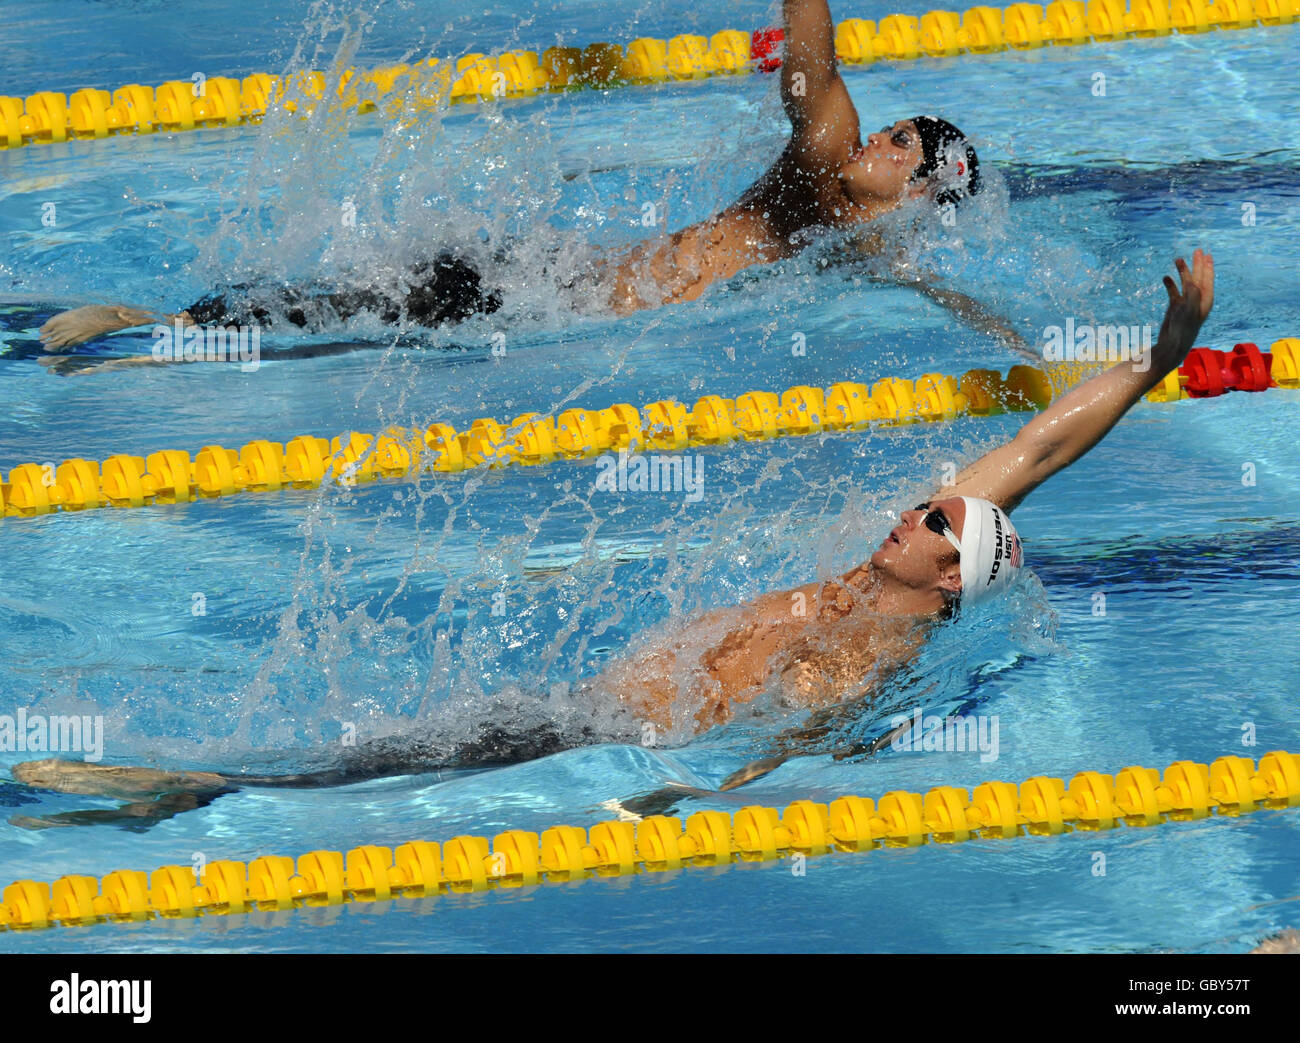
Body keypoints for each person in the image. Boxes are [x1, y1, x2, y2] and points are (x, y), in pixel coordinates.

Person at [10, 249, 1215, 824]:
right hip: (584, 705)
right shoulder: (890, 568)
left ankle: (182, 792)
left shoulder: (879, 643)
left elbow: (802, 741)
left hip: (599, 732)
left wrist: (690, 787)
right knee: (395, 743)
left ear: (951, 570)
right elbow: (1041, 448)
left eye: (931, 518)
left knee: (376, 767)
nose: (913, 506)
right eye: (926, 504)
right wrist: (1159, 357)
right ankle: (170, 794)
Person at [36, 0, 1017, 357]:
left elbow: (924, 283)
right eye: (888, 130)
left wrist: (1010, 337)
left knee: (358, 312)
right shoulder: (821, 154)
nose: (875, 141)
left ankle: (158, 323)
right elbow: (813, 63)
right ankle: (140, 323)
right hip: (562, 291)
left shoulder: (865, 241)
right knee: (348, 313)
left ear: (925, 191)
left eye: (900, 148)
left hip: (564, 295)